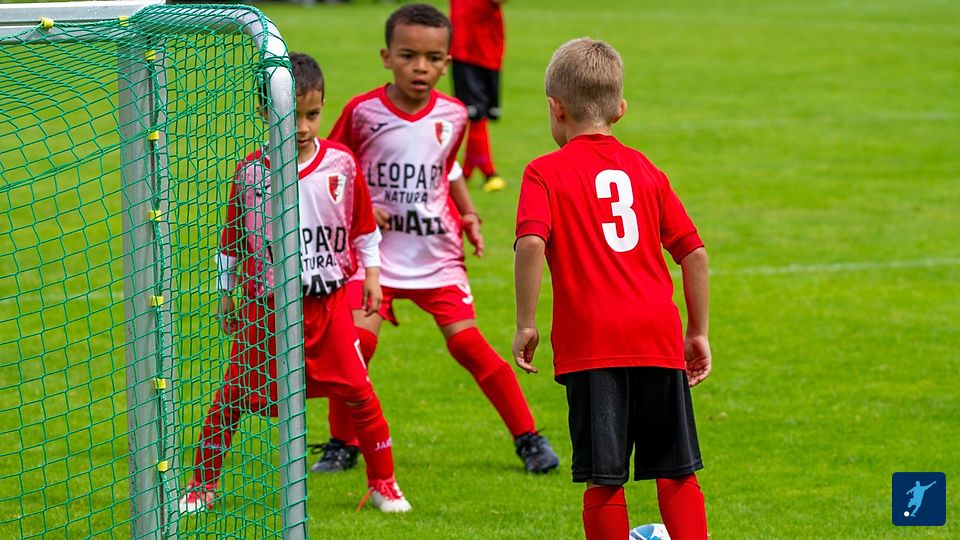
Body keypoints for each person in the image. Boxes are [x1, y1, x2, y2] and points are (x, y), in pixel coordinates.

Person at [311, 3, 559, 476]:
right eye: (408, 56)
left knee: (469, 345)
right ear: (387, 57)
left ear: (447, 62)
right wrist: (362, 208)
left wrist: (468, 214)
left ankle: (528, 438)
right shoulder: (362, 112)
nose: (420, 67)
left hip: (436, 252)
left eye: (432, 58)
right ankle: (342, 445)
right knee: (356, 346)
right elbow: (333, 166)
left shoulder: (454, 114)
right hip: (375, 254)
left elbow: (448, 168)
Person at [178, 52, 411, 514]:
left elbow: (364, 228)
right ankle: (202, 485)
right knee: (232, 397)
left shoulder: (341, 164)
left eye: (312, 115)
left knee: (359, 392)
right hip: (264, 309)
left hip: (326, 306)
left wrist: (373, 277)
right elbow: (232, 242)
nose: (302, 127)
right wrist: (226, 296)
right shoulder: (250, 173)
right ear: (264, 111)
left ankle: (383, 483)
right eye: (290, 116)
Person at [512, 38, 711, 539]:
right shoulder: (646, 170)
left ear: (555, 109)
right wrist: (697, 333)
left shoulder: (544, 172)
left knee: (604, 479)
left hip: (593, 343)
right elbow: (694, 253)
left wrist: (526, 323)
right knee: (676, 471)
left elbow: (531, 242)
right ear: (620, 109)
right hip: (657, 338)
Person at [449, 0, 507, 192]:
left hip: (488, 47)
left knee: (479, 113)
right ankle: (489, 172)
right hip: (466, 48)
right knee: (475, 113)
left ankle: (466, 172)